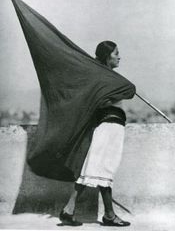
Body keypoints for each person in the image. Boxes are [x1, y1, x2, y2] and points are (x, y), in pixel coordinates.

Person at [59, 41, 136, 227]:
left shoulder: (106, 77)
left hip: (111, 126)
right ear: (107, 56)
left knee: (98, 171)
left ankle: (100, 214)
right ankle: (73, 210)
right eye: (116, 53)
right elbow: (129, 90)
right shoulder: (105, 78)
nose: (119, 56)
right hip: (109, 126)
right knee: (99, 170)